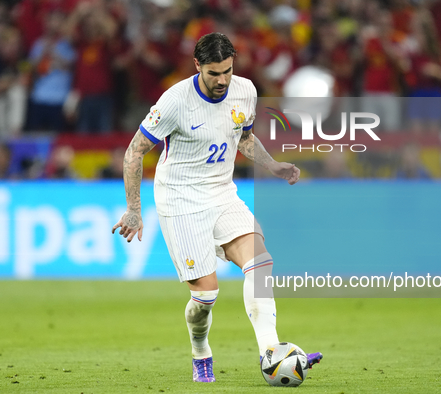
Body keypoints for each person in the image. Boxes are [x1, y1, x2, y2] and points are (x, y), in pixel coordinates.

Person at [112, 32, 322, 383]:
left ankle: (270, 352)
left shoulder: (246, 90)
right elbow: (134, 151)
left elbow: (244, 137)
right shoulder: (175, 101)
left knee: (261, 262)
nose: (222, 80)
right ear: (197, 66)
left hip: (222, 191)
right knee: (206, 296)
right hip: (180, 199)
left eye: (227, 70)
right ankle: (200, 350)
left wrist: (273, 166)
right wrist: (134, 208)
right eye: (214, 73)